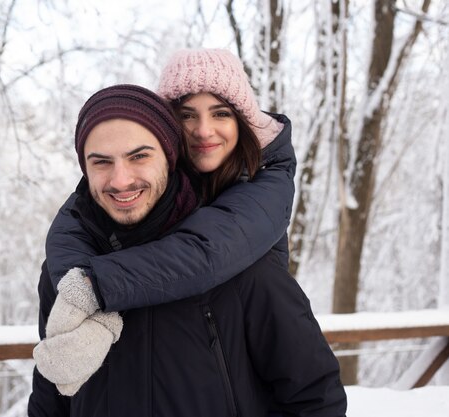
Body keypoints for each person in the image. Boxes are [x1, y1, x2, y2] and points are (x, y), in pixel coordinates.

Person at [27, 84, 346, 416]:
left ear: (170, 155)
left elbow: (315, 398)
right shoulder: (69, 278)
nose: (121, 180)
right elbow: (51, 401)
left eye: (139, 156)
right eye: (101, 162)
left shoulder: (242, 266)